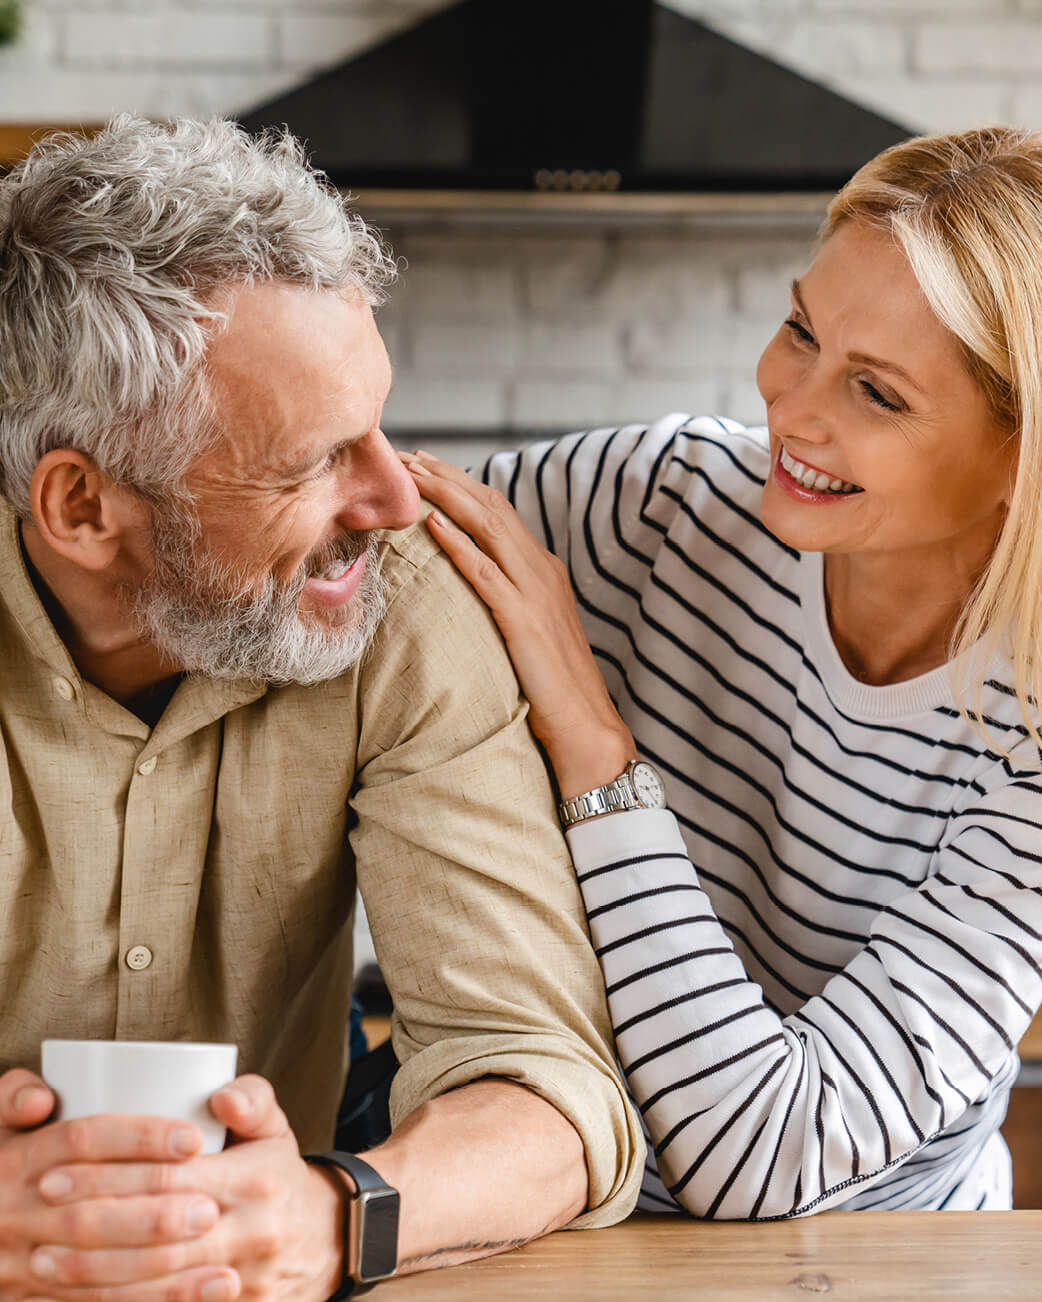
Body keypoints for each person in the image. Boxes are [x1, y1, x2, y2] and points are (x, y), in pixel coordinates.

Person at [0, 116, 642, 1301]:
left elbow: (548, 1094)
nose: (396, 497)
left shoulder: (404, 607)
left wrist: (335, 1216)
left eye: (379, 424)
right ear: (83, 507)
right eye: (311, 463)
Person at [405, 124, 1042, 1218]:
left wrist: (597, 752)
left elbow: (761, 1154)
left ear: (1016, 456)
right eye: (801, 330)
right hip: (564, 1226)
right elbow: (356, 566)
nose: (789, 410)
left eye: (876, 394)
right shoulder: (659, 502)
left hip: (889, 1271)